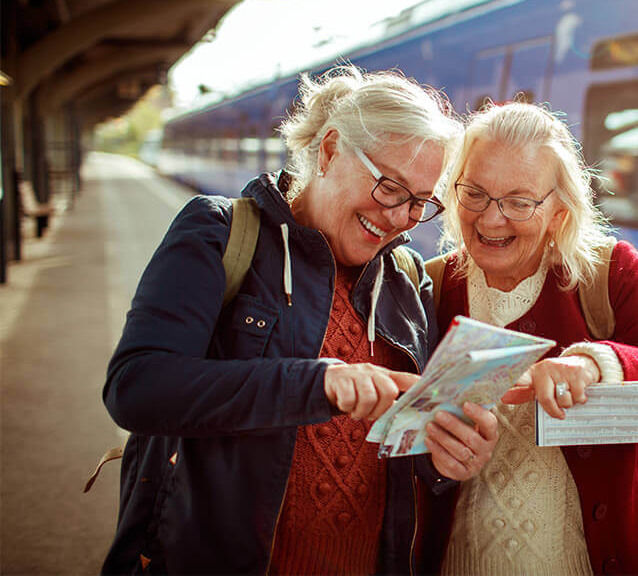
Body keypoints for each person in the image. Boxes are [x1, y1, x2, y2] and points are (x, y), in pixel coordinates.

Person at [101, 66, 499, 574]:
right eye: (389, 188)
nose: (400, 219)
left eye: (420, 202)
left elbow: (410, 443)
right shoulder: (221, 233)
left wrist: (445, 457)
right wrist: (318, 381)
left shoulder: (406, 278)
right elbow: (136, 387)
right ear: (330, 151)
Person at [423, 102, 638, 575]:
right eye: (474, 193)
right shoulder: (431, 287)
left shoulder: (609, 271)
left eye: (518, 202)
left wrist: (595, 365)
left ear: (559, 211)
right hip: (463, 559)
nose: (490, 220)